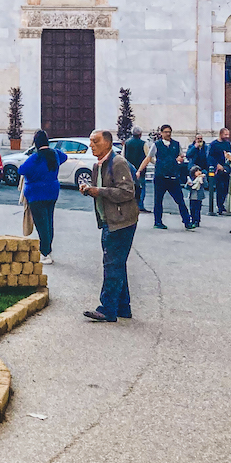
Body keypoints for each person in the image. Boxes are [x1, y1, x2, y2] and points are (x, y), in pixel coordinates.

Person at [80, 129, 140, 323]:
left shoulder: (118, 162)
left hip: (121, 222)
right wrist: (89, 190)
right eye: (90, 141)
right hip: (109, 221)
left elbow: (127, 192)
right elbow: (103, 189)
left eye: (95, 141)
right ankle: (123, 307)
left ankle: (107, 309)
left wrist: (99, 191)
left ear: (107, 143)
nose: (91, 145)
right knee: (117, 264)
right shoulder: (98, 165)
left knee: (112, 264)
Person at [17, 130, 67, 264]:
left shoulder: (35, 157)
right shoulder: (55, 154)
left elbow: (21, 170)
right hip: (52, 191)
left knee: (41, 224)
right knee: (49, 221)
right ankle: (48, 250)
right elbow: (65, 157)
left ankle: (45, 252)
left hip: (36, 193)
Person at [139, 124, 196, 230]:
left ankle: (187, 221)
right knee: (158, 200)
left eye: (169, 131)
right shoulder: (157, 145)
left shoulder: (176, 144)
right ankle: (158, 222)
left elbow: (181, 156)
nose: (168, 133)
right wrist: (139, 171)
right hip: (160, 176)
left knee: (180, 200)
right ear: (161, 133)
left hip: (173, 176)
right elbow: (148, 158)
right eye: (165, 132)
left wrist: (180, 159)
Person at [207, 128, 231, 215]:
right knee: (220, 188)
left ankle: (222, 204)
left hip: (226, 168)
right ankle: (219, 206)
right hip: (217, 170)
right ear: (221, 134)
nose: (227, 136)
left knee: (226, 188)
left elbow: (230, 154)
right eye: (225, 134)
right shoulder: (214, 144)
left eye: (228, 134)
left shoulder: (227, 144)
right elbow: (210, 156)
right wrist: (216, 165)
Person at [123, 126, 149, 211]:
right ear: (140, 134)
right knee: (141, 187)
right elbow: (148, 156)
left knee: (130, 187)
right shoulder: (143, 143)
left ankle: (131, 205)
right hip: (140, 169)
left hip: (129, 169)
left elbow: (123, 156)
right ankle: (140, 205)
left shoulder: (127, 143)